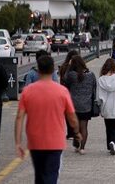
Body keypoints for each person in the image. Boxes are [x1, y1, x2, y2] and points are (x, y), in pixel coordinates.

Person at [15, 54, 80, 184]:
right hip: (55, 141)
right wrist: (77, 132)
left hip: (35, 141)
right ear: (53, 70)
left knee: (39, 175)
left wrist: (18, 142)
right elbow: (72, 117)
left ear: (38, 70)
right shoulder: (62, 91)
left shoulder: (27, 91)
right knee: (51, 175)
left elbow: (19, 118)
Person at [64, 54, 96, 154]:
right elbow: (94, 87)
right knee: (84, 127)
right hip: (86, 105)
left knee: (75, 126)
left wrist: (68, 67)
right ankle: (82, 148)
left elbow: (65, 81)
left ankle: (77, 143)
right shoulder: (91, 75)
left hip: (74, 105)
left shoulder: (71, 75)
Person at [97, 58, 115, 155]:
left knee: (108, 127)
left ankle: (109, 144)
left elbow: (98, 96)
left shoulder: (101, 79)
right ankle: (113, 142)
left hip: (105, 107)